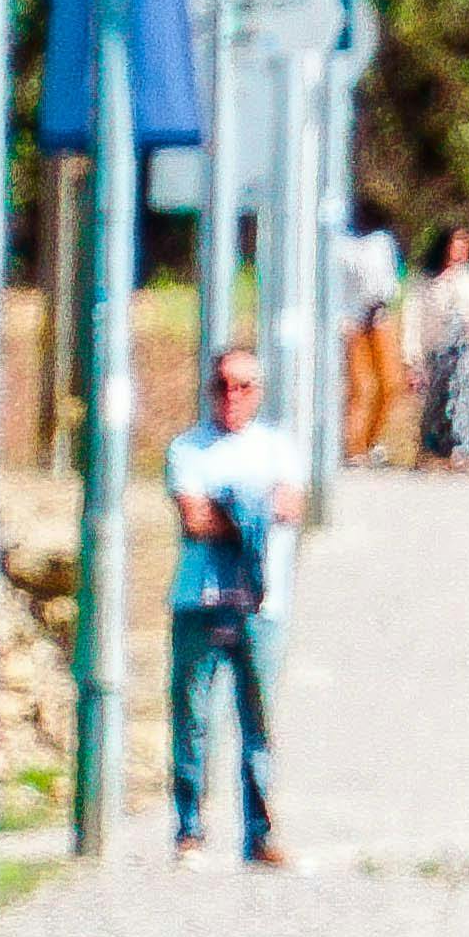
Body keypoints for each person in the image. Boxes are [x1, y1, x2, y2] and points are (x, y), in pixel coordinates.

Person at [165, 343, 311, 868]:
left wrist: (231, 505)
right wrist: (252, 511)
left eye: (244, 386)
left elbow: (291, 508)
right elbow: (195, 519)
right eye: (223, 385)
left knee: (259, 720)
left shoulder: (278, 448)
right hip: (199, 600)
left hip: (261, 606)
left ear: (259, 392)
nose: (232, 396)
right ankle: (190, 830)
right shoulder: (188, 449)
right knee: (192, 717)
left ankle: (260, 833)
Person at [412, 223, 469, 466]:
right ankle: (431, 451)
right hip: (434, 354)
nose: (460, 250)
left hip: (462, 355)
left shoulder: (467, 279)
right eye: (456, 244)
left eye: (465, 245)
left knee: (463, 401)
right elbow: (413, 320)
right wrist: (412, 361)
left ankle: (465, 451)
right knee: (434, 405)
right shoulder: (425, 281)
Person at [339, 216, 408, 467]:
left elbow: (389, 281)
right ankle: (353, 448)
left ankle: (371, 441)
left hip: (379, 315)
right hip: (351, 320)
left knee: (391, 384)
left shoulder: (382, 241)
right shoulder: (339, 243)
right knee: (360, 388)